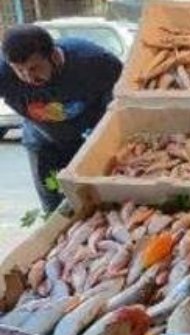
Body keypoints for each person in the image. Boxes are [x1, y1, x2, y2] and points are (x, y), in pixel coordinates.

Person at [0, 25, 122, 212]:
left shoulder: (95, 61)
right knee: (56, 211)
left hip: (90, 141)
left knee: (98, 203)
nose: (28, 77)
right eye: (19, 70)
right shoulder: (3, 74)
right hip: (43, 143)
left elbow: (124, 99)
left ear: (54, 55)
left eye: (34, 68)